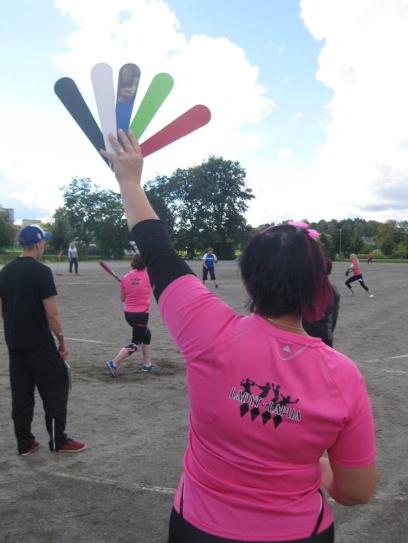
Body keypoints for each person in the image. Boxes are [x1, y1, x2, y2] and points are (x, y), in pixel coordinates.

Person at [101, 129, 377, 543]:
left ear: (248, 282)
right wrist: (315, 466)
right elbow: (356, 491)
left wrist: (129, 181)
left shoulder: (208, 330)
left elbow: (158, 252)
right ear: (319, 286)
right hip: (299, 533)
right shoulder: (343, 376)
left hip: (200, 528)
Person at [0, 226, 86, 455]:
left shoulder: (5, 271)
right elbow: (52, 315)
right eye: (43, 242)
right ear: (38, 244)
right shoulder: (41, 271)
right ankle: (58, 440)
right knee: (55, 390)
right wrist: (62, 343)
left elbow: (3, 309)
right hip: (38, 343)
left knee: (22, 394)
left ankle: (25, 442)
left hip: (15, 342)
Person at [105, 253, 159, 376]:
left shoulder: (125, 277)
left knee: (147, 335)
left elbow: (123, 299)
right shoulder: (149, 277)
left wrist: (130, 286)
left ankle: (147, 364)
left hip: (129, 314)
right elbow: (152, 287)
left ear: (132, 263)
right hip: (141, 315)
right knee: (135, 344)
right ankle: (114, 362)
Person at [303, 259, 340, 347]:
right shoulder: (332, 290)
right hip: (325, 334)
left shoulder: (305, 288)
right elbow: (334, 317)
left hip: (305, 332)